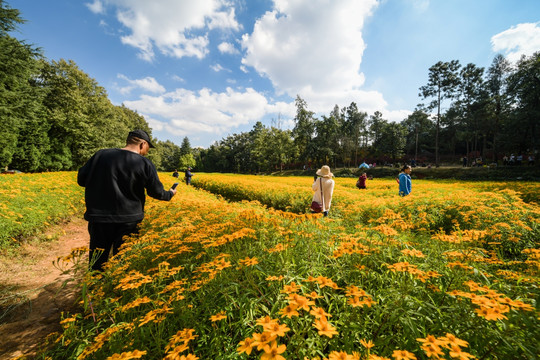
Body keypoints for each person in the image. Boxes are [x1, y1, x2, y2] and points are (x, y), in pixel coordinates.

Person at [77, 129, 177, 271]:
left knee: (97, 261)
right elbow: (156, 193)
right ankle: (116, 291)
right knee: (123, 262)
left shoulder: (100, 155)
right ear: (142, 144)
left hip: (99, 219)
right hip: (129, 221)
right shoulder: (144, 163)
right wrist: (170, 194)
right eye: (148, 147)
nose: (147, 152)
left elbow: (81, 180)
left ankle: (94, 290)